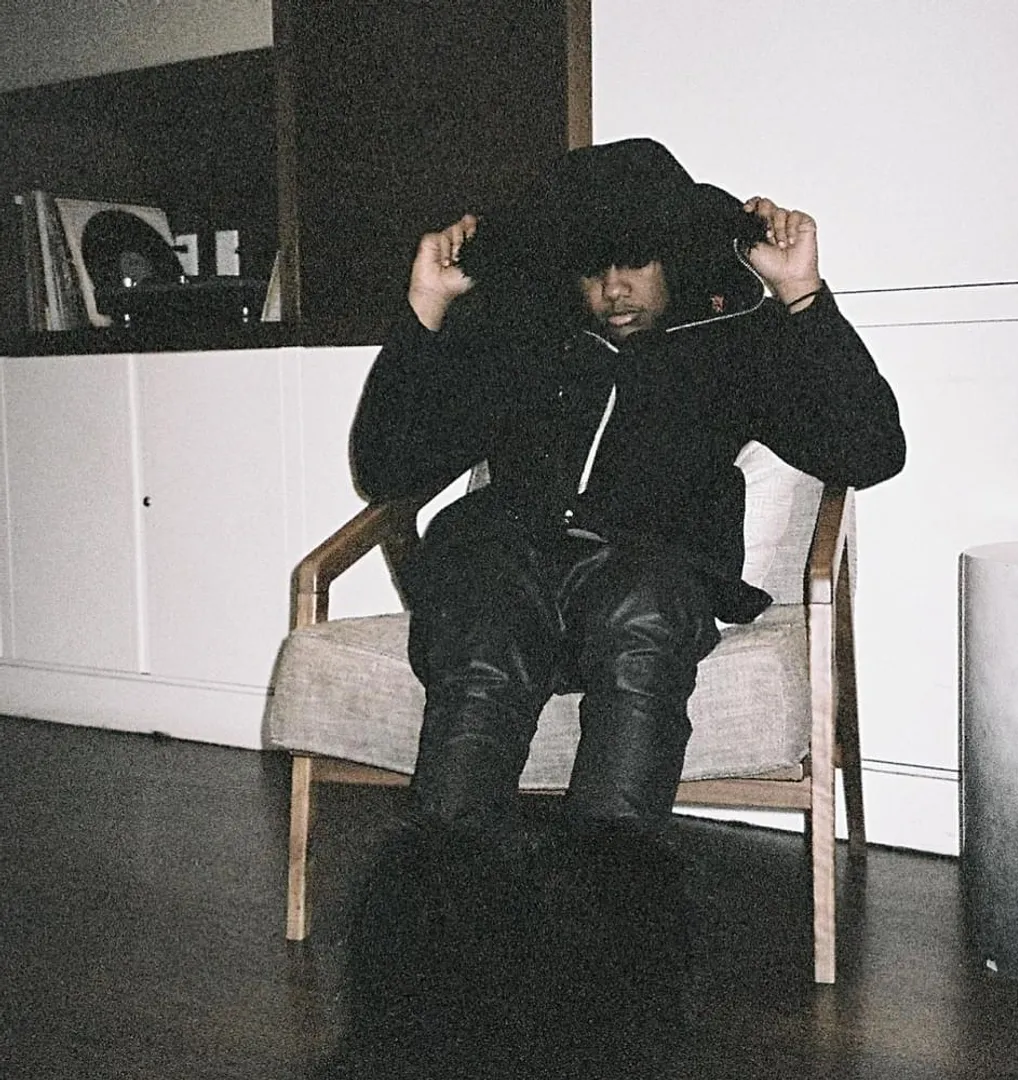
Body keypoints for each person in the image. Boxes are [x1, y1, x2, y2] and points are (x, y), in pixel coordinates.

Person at [335, 138, 905, 1077]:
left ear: (674, 257)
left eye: (634, 262)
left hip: (651, 563)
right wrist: (426, 311)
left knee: (644, 619)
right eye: (592, 268)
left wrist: (803, 297)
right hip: (507, 557)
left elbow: (870, 449)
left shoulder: (734, 342)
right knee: (481, 642)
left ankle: (605, 992)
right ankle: (431, 998)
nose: (613, 289)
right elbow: (390, 467)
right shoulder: (521, 340)